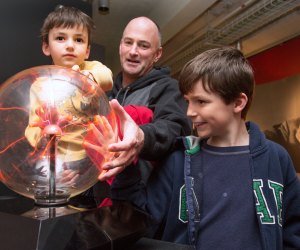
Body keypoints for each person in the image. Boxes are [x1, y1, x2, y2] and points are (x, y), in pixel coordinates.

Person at [110, 47, 300, 249]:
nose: (190, 112)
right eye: (188, 101)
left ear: (238, 102)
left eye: (201, 101)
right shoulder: (179, 160)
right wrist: (127, 165)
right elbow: (139, 222)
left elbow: (293, 228)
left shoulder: (275, 157)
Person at [24, 5, 113, 191]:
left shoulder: (89, 69)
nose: (70, 45)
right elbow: (33, 125)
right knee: (53, 195)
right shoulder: (39, 85)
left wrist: (91, 79)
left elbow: (107, 77)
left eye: (79, 40)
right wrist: (41, 138)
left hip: (91, 156)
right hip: (56, 158)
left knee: (91, 202)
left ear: (87, 51)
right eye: (60, 38)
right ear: (46, 47)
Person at [98, 16, 191, 180]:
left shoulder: (169, 88)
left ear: (157, 54)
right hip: (100, 197)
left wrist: (141, 136)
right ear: (120, 46)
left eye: (143, 46)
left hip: (142, 201)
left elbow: (174, 129)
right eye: (128, 42)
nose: (133, 52)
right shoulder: (105, 93)